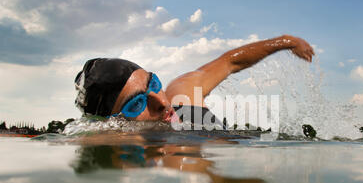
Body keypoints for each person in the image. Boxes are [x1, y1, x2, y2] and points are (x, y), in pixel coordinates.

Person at [74, 34, 314, 127]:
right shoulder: (162, 162)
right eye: (136, 104)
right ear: (111, 122)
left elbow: (230, 61)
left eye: (154, 84)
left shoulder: (183, 95)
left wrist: (285, 42)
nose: (161, 102)